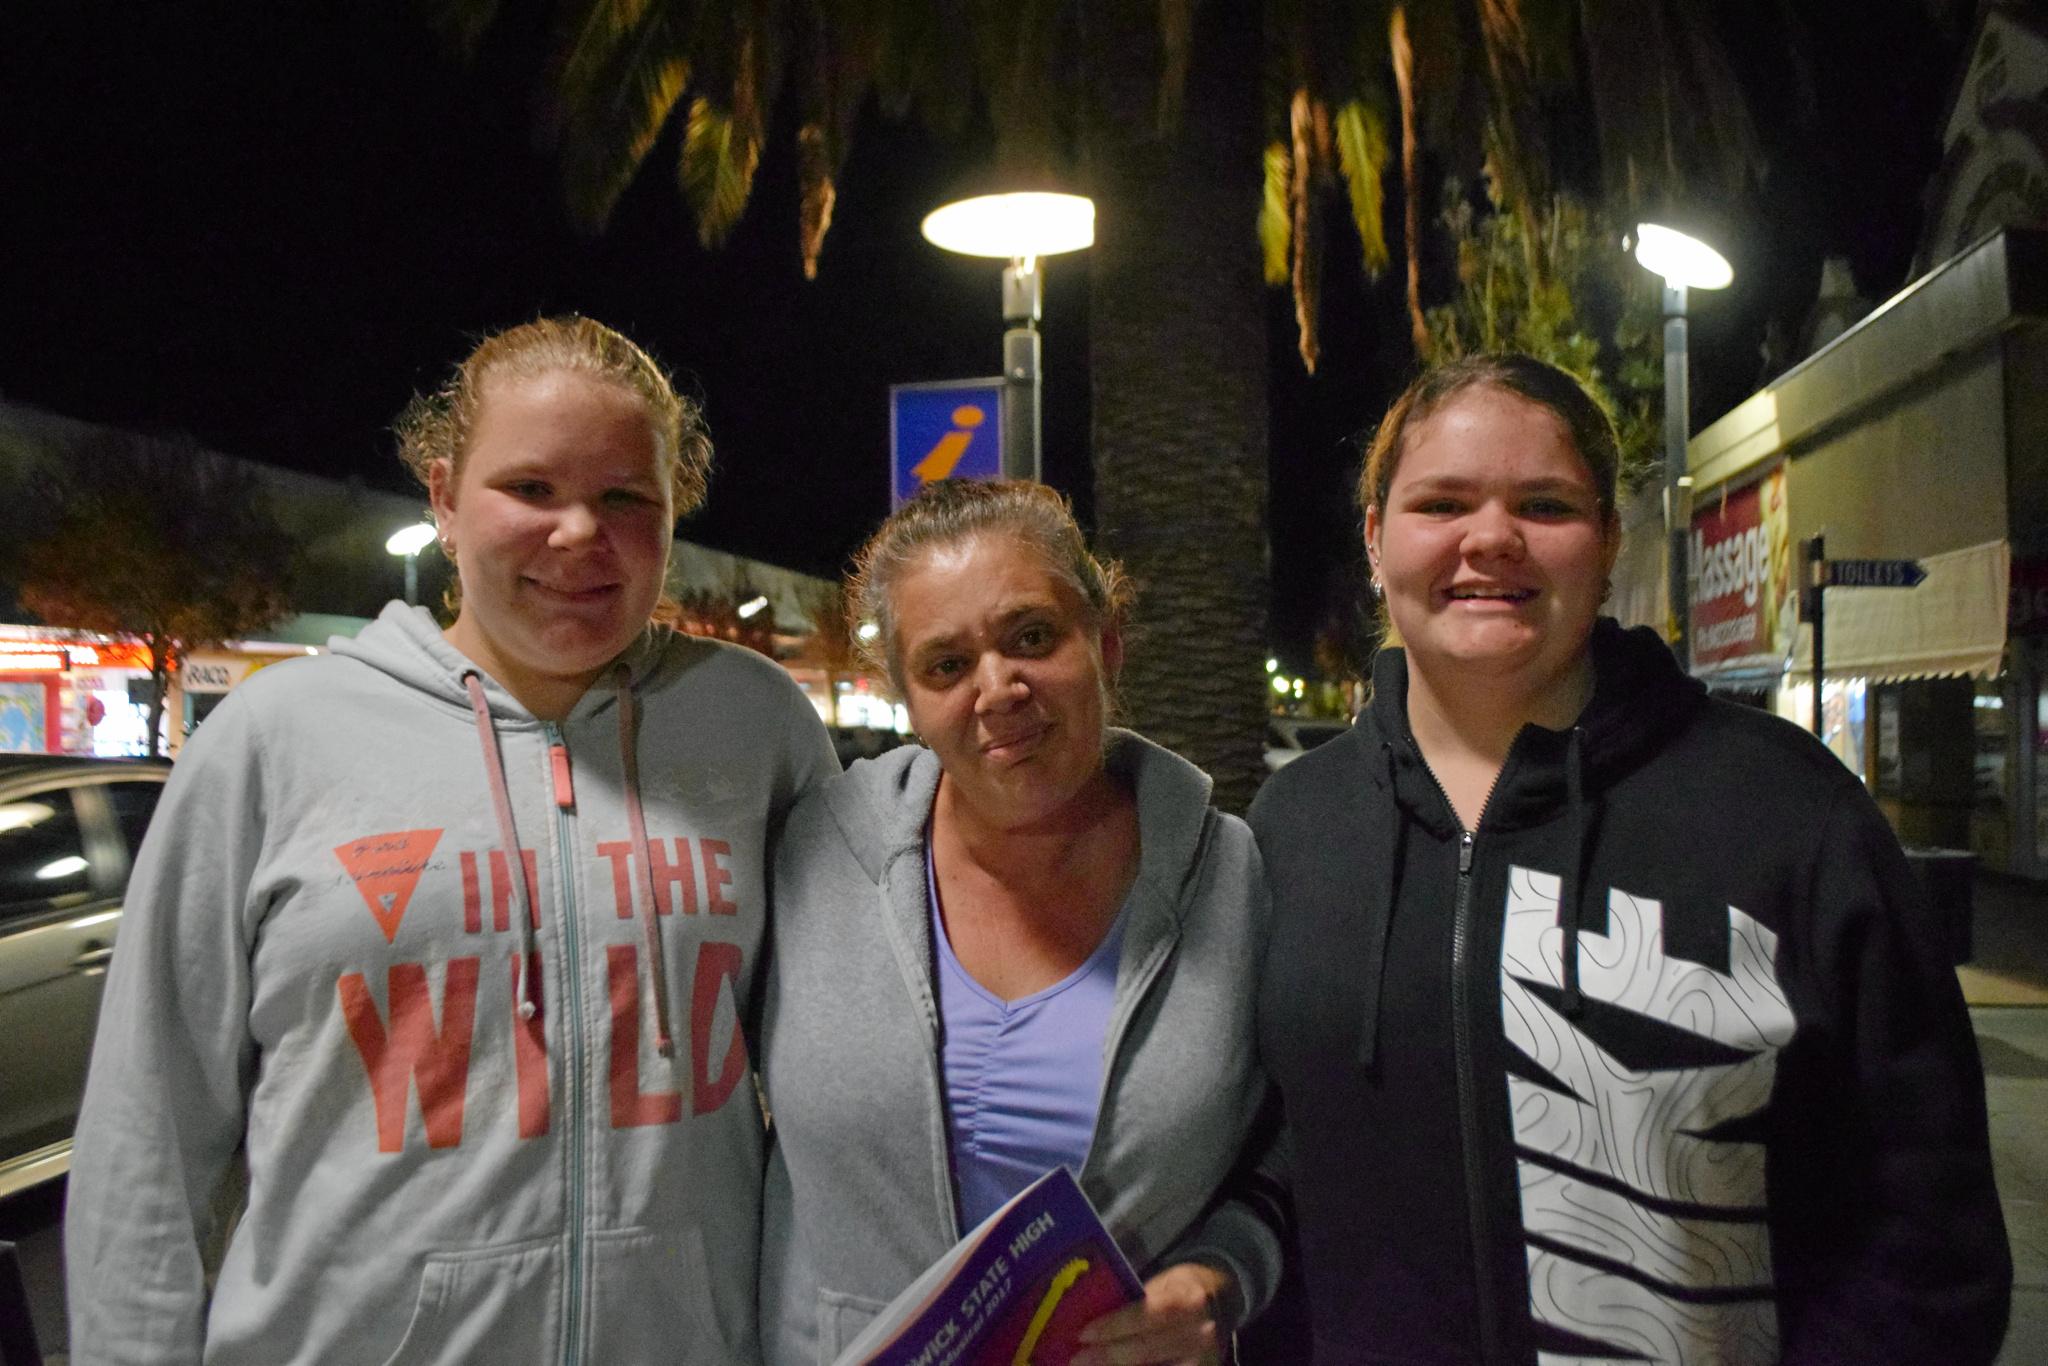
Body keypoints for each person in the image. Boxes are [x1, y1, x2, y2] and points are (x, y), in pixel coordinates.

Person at [65, 316, 836, 1364]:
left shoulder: (753, 727)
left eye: (624, 497)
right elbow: (145, 1133)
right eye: (530, 489)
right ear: (441, 499)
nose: (578, 533)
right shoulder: (277, 737)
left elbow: (864, 1058)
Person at [1249, 353, 2012, 1363]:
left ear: (1605, 540)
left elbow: (1927, 1242)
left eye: (1544, 503)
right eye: (1441, 501)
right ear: (1374, 535)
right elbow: (1266, 1171)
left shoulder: (1789, 813)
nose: (1489, 538)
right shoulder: (1290, 828)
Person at [758, 479, 1283, 1365]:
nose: (997, 689)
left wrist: (1224, 1276)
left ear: (1106, 644)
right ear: (907, 699)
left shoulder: (1230, 875)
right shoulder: (818, 853)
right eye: (945, 665)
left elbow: (1300, 1144)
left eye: (1032, 638)